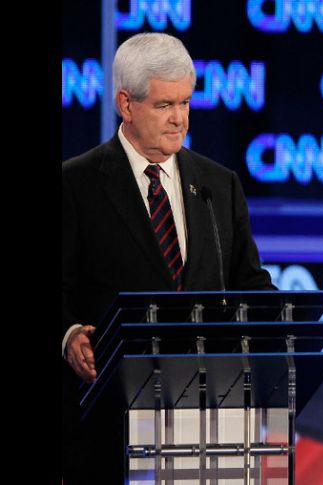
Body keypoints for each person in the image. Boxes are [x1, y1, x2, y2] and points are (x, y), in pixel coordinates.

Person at [62, 32, 276, 483]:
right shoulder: (75, 184)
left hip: (209, 411)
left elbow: (249, 284)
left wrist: (281, 324)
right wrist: (67, 335)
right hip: (111, 418)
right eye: (164, 106)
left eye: (185, 103)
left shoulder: (219, 184)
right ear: (126, 104)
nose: (180, 119)